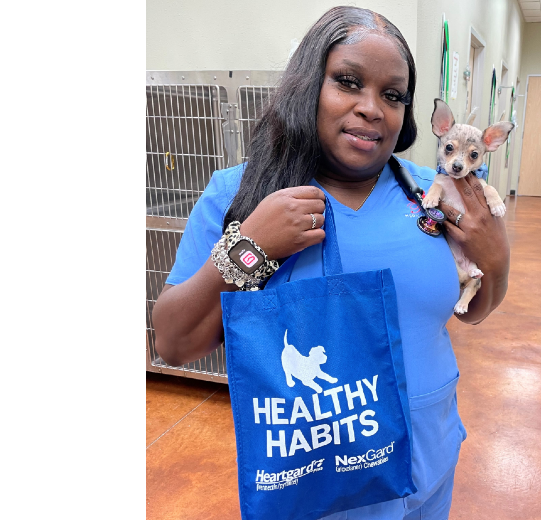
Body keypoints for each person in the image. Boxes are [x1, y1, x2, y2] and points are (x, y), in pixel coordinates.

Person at [152, 6, 510, 519]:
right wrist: (253, 245)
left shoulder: (431, 193)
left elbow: (473, 311)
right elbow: (173, 342)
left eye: (392, 95)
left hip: (429, 467)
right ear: (307, 86)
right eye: (347, 81)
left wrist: (497, 262)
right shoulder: (240, 194)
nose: (372, 108)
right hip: (319, 489)